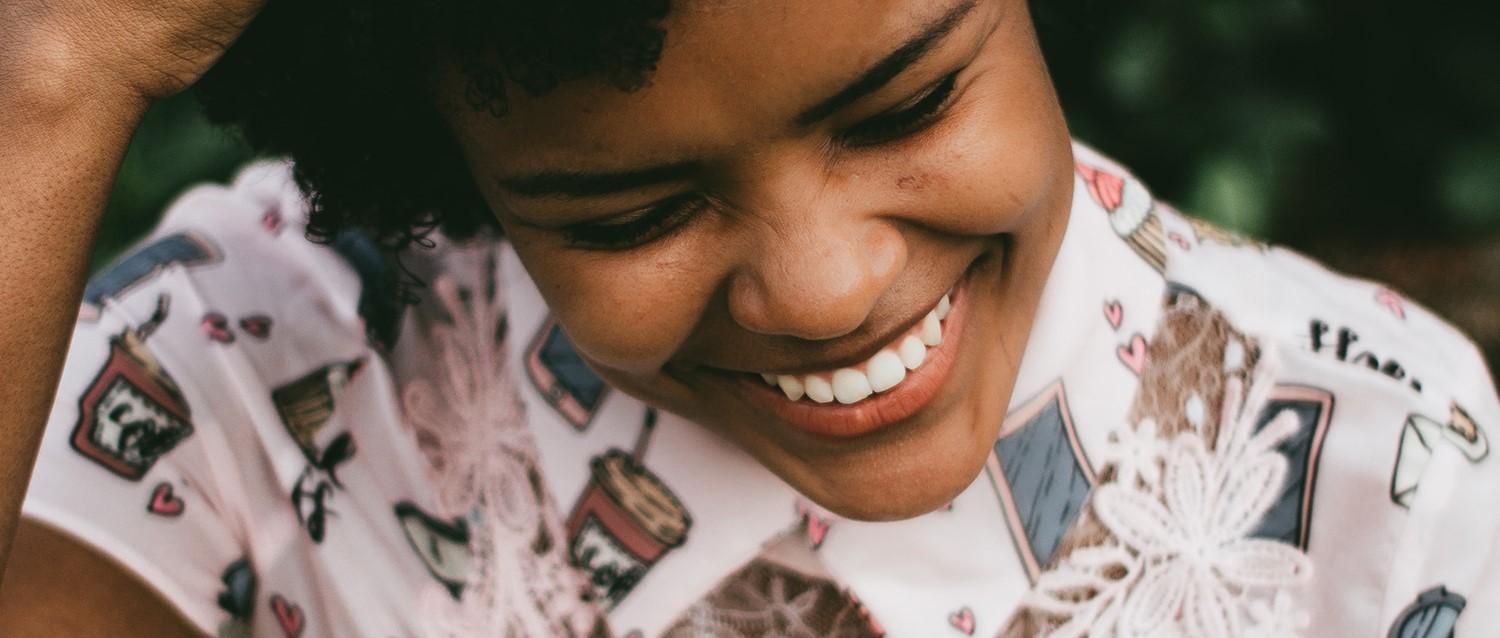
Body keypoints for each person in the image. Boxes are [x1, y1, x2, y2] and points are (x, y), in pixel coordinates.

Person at [1, 0, 1496, 636]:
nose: (829, 285)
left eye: (906, 105)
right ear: (448, 158)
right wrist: (56, 84)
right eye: (630, 214)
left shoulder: (1380, 484)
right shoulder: (252, 383)